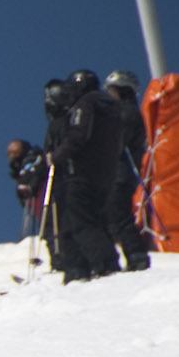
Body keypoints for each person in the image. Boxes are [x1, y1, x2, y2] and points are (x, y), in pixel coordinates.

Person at [43, 72, 123, 283]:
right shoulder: (111, 108)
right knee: (96, 220)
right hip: (105, 174)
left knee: (80, 222)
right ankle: (94, 264)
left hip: (80, 173)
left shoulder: (85, 105)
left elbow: (77, 136)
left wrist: (57, 156)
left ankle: (101, 265)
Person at [102, 70, 153, 271]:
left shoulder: (127, 112)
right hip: (116, 171)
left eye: (113, 91)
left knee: (120, 214)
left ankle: (137, 256)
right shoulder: (121, 112)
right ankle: (130, 256)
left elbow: (119, 141)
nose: (110, 95)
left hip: (121, 171)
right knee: (112, 215)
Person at [6, 141, 49, 243]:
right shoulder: (21, 167)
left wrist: (29, 184)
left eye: (16, 152)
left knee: (46, 221)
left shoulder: (31, 160)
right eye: (10, 153)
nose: (12, 156)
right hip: (37, 202)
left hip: (43, 197)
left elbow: (34, 173)